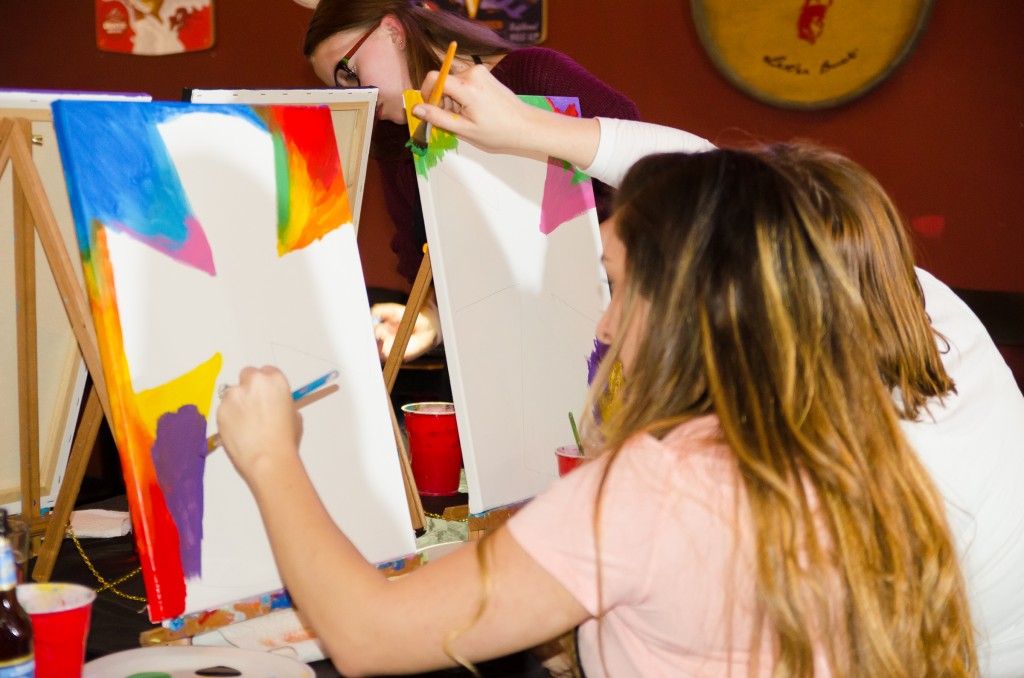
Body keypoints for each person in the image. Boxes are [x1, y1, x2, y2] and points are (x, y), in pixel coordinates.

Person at [217, 146, 976, 676]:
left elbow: (366, 635)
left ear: (688, 302)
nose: (605, 325)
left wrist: (272, 456)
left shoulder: (659, 484)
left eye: (618, 285)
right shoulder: (852, 446)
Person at [412, 66, 1024, 675]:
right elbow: (705, 178)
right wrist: (527, 128)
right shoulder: (878, 282)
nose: (610, 325)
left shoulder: (847, 456)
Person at [303, 0, 640, 361]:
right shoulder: (393, 138)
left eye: (349, 72)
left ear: (393, 31)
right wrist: (431, 321)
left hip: (608, 343)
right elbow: (424, 267)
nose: (359, 96)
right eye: (342, 90)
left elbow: (643, 167)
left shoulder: (534, 74)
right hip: (495, 363)